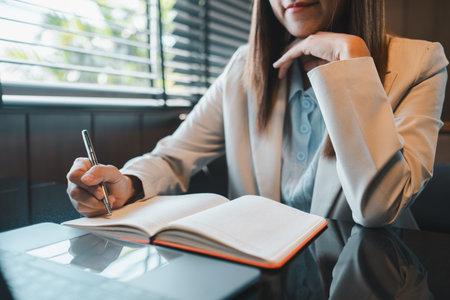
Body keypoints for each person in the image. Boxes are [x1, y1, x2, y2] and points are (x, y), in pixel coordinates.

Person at [66, 0, 448, 228]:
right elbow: (171, 157)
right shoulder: (243, 68)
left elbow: (379, 207)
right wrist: (126, 184)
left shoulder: (422, 63)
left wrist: (352, 59)